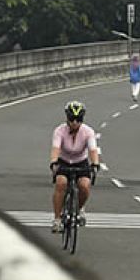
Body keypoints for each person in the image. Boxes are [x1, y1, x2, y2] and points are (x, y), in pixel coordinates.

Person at [50, 100, 100, 233]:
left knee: (84, 185)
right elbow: (55, 148)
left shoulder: (88, 131)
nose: (75, 122)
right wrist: (54, 162)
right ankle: (57, 219)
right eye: (72, 119)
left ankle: (80, 208)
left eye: (78, 119)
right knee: (61, 183)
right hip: (64, 161)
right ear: (67, 118)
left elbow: (93, 150)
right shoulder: (60, 130)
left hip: (81, 162)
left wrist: (95, 164)